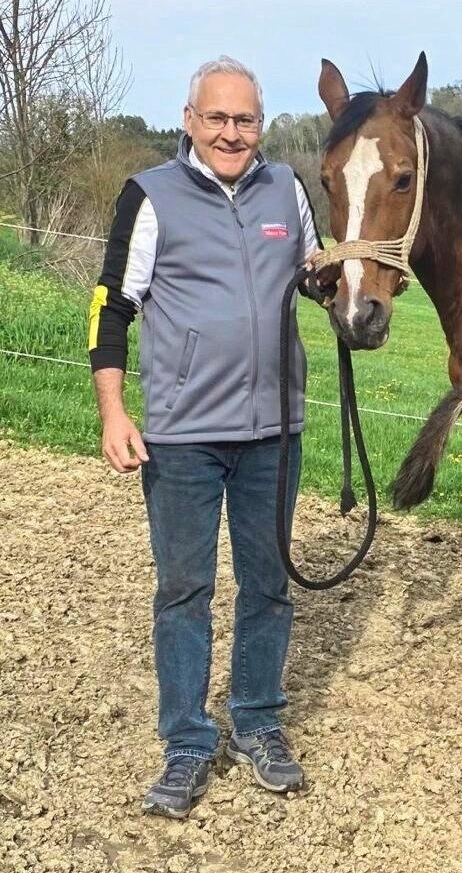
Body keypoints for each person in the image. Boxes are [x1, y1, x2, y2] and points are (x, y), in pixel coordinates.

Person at [88, 56, 322, 818]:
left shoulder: (287, 188)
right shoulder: (150, 195)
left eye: (245, 119)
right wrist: (115, 411)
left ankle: (257, 722)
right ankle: (188, 742)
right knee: (183, 590)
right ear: (189, 121)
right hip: (184, 437)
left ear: (262, 125)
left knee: (268, 586)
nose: (231, 132)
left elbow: (313, 274)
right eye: (217, 118)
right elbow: (111, 306)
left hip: (274, 434)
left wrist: (354, 287)